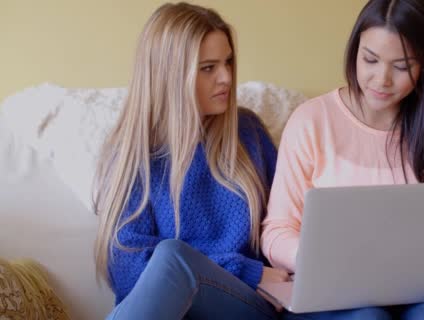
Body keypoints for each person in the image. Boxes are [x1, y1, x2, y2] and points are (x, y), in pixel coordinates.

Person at [261, 0, 424, 319]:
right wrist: (321, 259)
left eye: (402, 66)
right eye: (370, 59)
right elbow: (277, 230)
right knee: (370, 316)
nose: (382, 79)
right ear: (355, 51)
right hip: (330, 294)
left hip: (411, 289)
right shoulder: (312, 121)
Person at [93, 3, 287, 319]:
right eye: (208, 67)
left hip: (244, 307)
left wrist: (252, 276)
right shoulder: (132, 155)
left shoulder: (247, 133)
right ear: (168, 75)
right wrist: (245, 270)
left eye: (228, 62)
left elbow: (286, 225)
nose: (226, 77)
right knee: (171, 260)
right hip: (172, 309)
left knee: (171, 258)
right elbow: (128, 271)